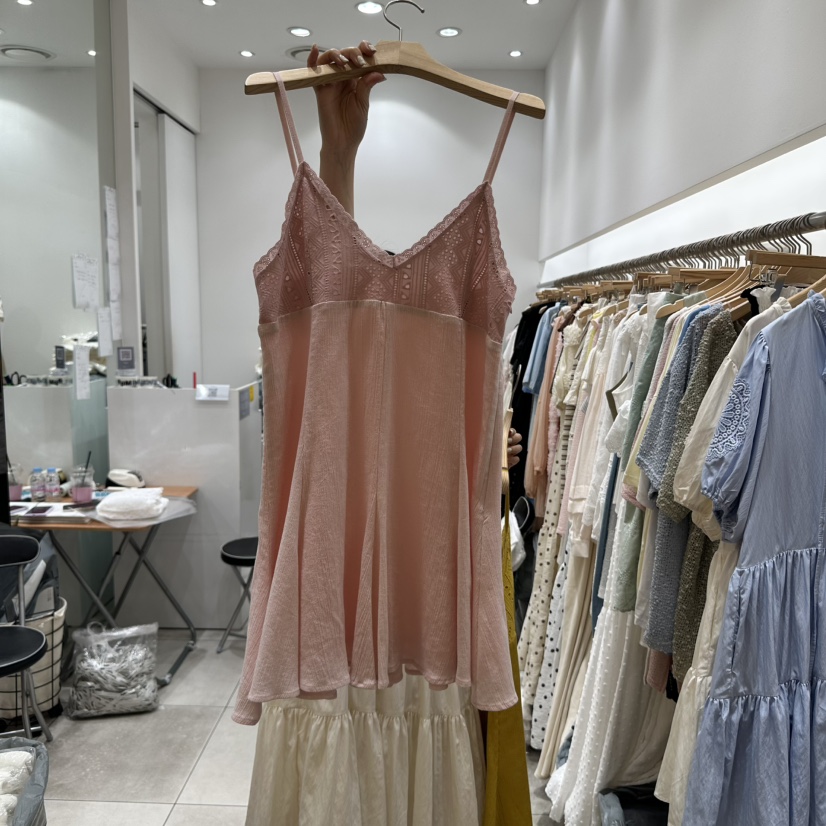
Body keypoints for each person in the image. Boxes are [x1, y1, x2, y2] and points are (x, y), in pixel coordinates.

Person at [308, 41, 524, 468]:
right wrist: (337, 148)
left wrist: (485, 454)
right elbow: (335, 282)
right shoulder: (340, 338)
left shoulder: (440, 373)